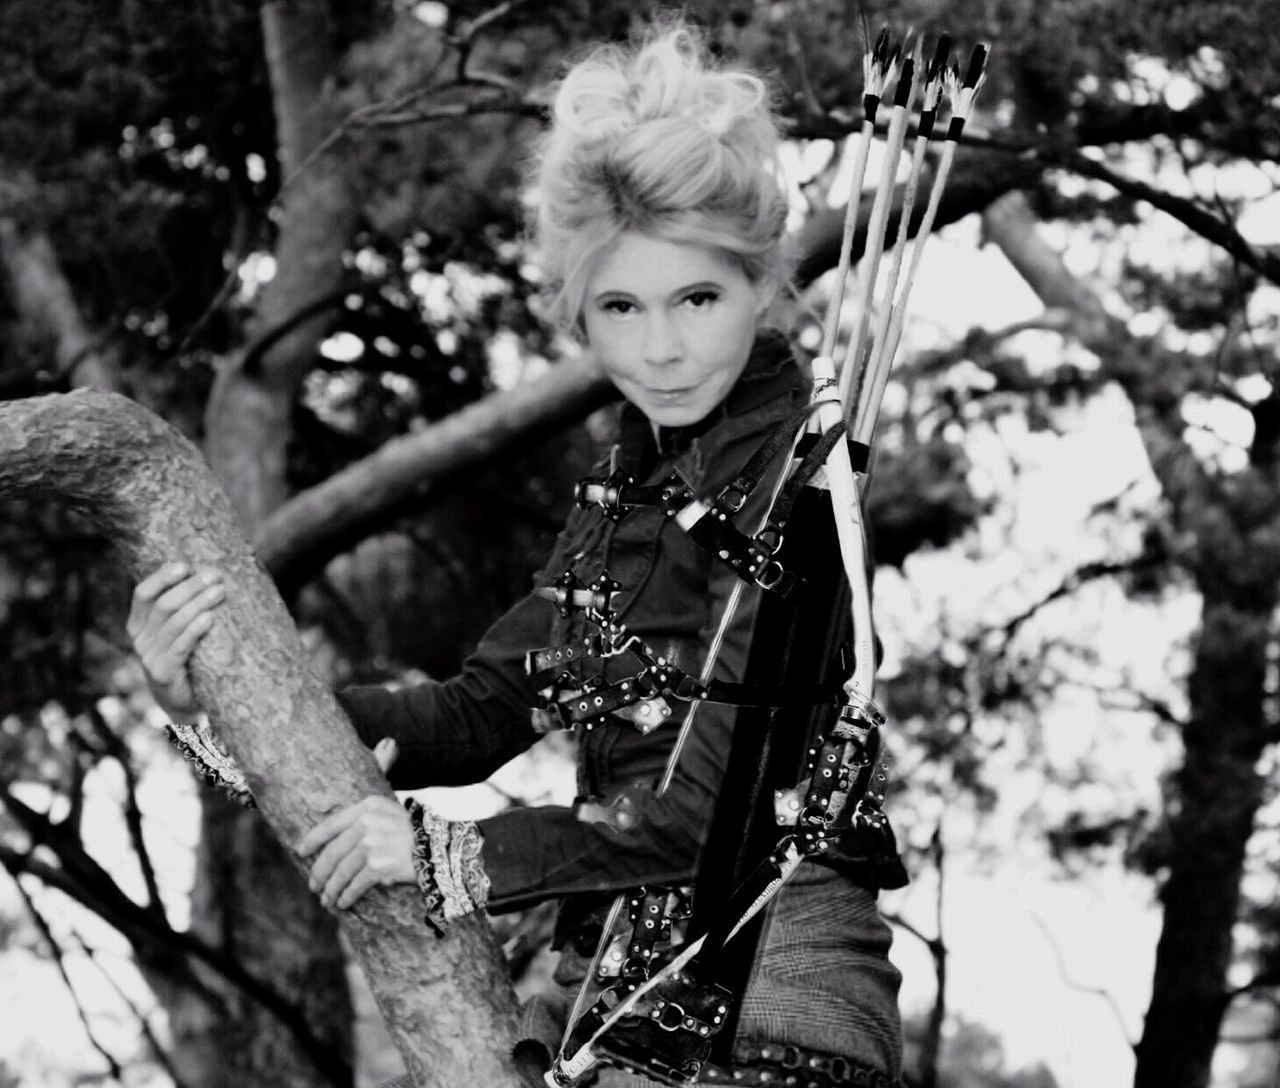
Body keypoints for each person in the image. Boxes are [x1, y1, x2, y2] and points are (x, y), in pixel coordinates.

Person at [129, 23, 907, 1088]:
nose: (662, 348)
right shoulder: (626, 494)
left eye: (698, 299)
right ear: (578, 314)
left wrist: (456, 855)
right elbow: (480, 711)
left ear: (762, 285)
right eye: (620, 308)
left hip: (772, 992)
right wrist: (222, 696)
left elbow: (702, 809)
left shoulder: (801, 474)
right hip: (611, 977)